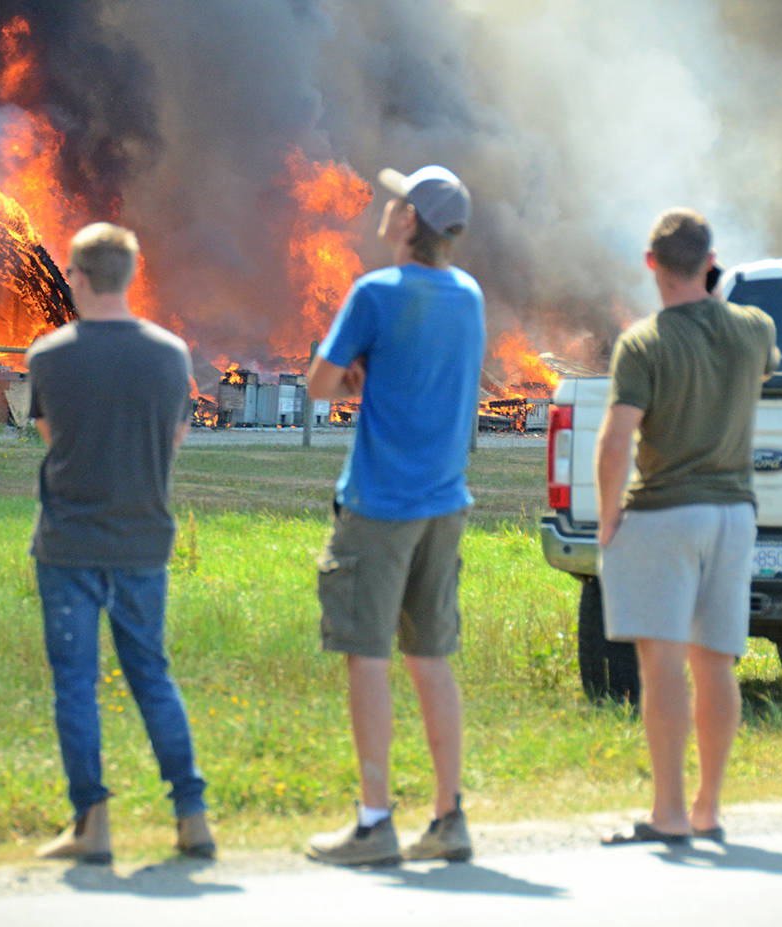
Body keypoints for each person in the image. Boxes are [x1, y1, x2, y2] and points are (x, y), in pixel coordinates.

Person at [304, 165, 485, 866]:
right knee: (431, 657)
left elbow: (319, 384)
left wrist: (353, 375)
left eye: (395, 201)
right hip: (446, 501)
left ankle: (374, 821)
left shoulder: (375, 292)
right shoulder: (468, 296)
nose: (384, 207)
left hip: (379, 504)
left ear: (410, 221)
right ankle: (449, 815)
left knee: (367, 656)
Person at [26, 221, 213, 864]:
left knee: (75, 684)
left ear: (75, 277)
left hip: (69, 542)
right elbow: (176, 440)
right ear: (133, 276)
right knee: (152, 676)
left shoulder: (48, 356)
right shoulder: (171, 355)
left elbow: (53, 437)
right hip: (143, 539)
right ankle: (192, 817)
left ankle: (93, 825)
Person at [596, 208, 778, 846]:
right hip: (734, 514)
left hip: (665, 511)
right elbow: (761, 367)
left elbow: (617, 440)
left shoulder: (644, 343)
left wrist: (609, 515)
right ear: (710, 260)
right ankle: (708, 809)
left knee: (664, 665)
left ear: (651, 264)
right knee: (716, 662)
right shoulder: (755, 329)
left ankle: (668, 813)